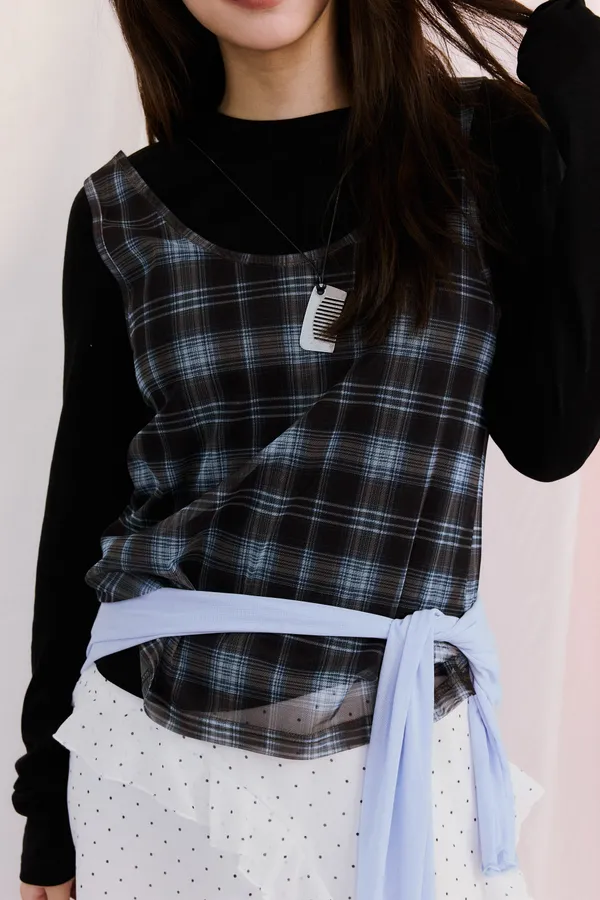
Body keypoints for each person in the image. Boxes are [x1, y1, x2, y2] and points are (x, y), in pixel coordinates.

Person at [13, 0, 600, 898]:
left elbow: (551, 436)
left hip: (405, 761)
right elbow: (81, 511)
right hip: (154, 768)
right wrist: (45, 804)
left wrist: (587, 108)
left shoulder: (480, 150)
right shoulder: (122, 213)